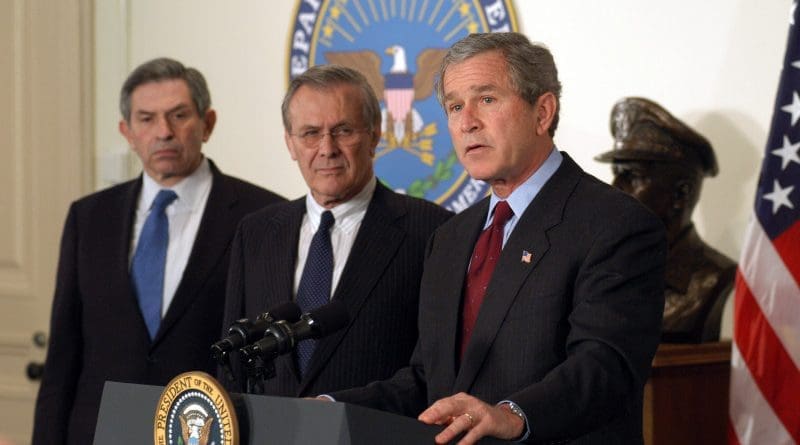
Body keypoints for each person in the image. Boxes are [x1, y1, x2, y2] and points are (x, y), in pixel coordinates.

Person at [328, 32, 666, 444]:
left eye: (486, 99)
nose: (467, 120)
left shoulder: (614, 224)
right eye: (454, 106)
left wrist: (514, 415)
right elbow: (427, 383)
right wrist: (333, 409)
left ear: (542, 112)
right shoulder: (449, 239)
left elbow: (605, 366)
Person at [31, 58, 285, 444]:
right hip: (98, 433)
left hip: (209, 432)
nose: (163, 132)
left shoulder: (264, 216)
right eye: (146, 119)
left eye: (179, 115)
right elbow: (63, 356)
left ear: (208, 123)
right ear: (127, 132)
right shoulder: (89, 217)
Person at [220, 65, 452, 397]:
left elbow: (434, 370)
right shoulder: (255, 233)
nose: (327, 148)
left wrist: (335, 408)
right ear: (290, 144)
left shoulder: (432, 231)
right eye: (310, 133)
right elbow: (232, 365)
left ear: (374, 135)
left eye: (343, 131)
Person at [595, 96, 736, 343]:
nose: (615, 187)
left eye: (632, 175)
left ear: (680, 195)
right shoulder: (602, 266)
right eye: (616, 174)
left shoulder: (713, 278)